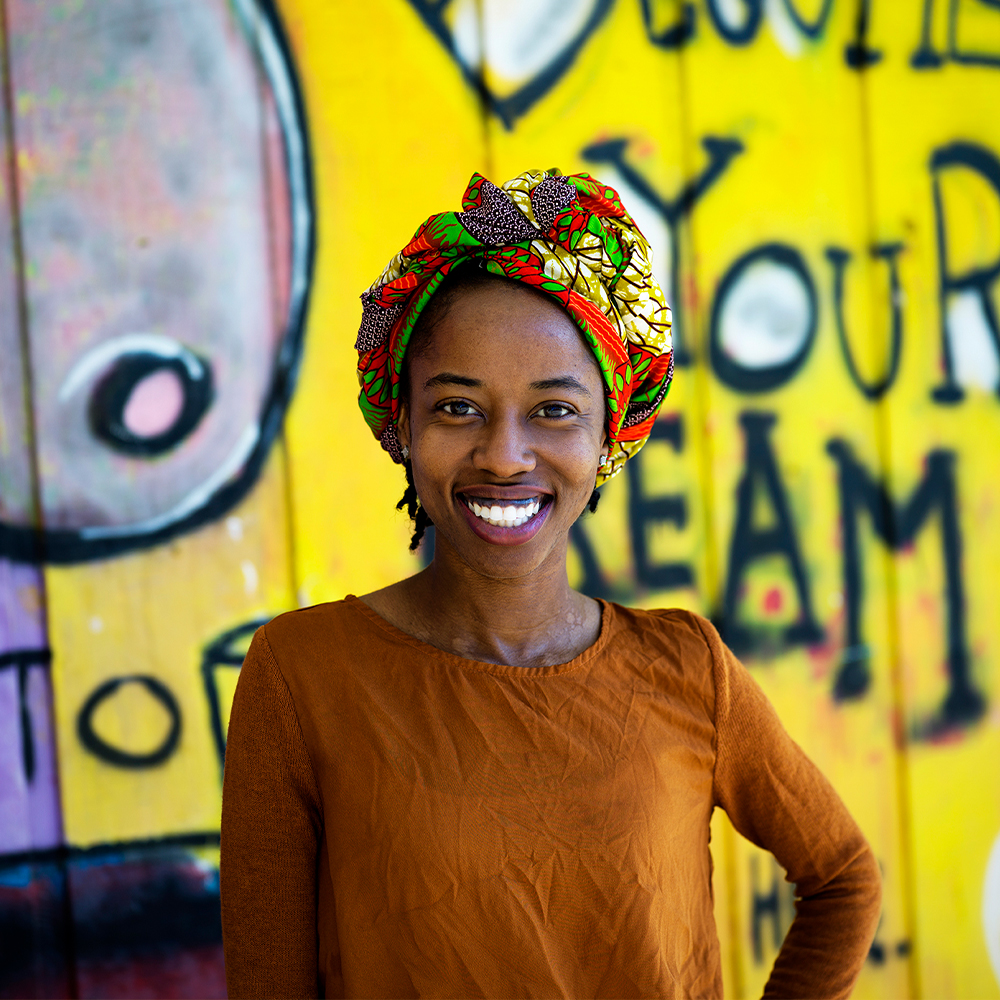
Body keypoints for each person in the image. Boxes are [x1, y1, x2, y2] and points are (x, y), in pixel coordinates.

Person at [220, 169, 881, 999]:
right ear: (403, 426)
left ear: (609, 433)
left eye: (554, 410)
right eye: (458, 408)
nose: (503, 455)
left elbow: (844, 877)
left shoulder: (688, 669)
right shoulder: (301, 675)